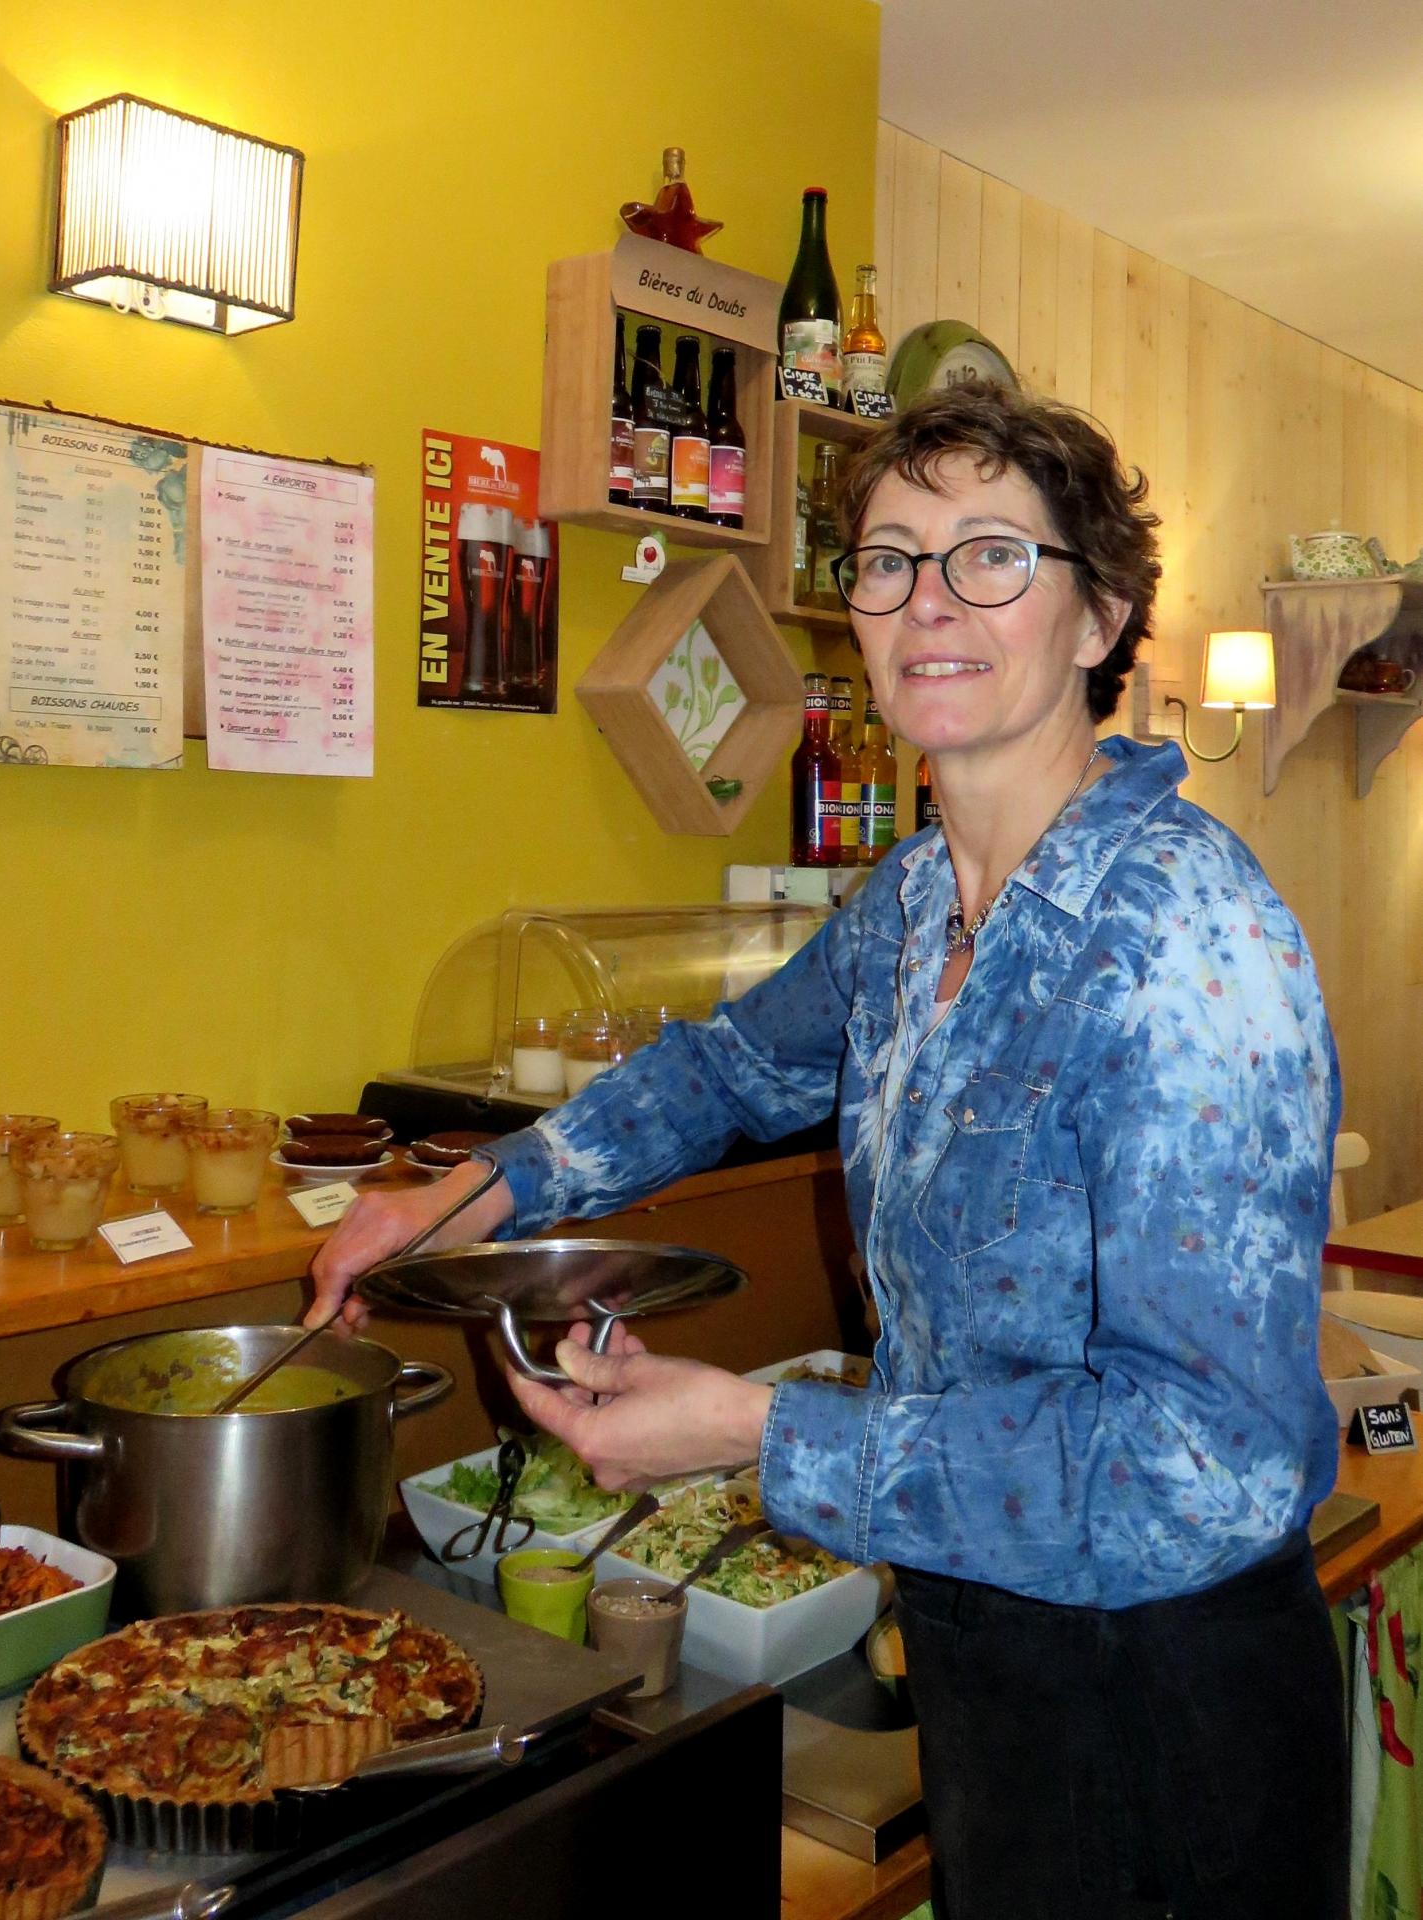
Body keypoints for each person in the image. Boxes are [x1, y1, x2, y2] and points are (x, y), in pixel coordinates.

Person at [311, 384, 1346, 1920]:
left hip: (1158, 1693)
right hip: (982, 1638)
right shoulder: (916, 898)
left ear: (1096, 617)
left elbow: (1202, 1468)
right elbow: (723, 1066)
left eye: (991, 556)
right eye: (887, 559)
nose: (927, 603)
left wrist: (753, 1429)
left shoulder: (1185, 941)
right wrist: (468, 1194)